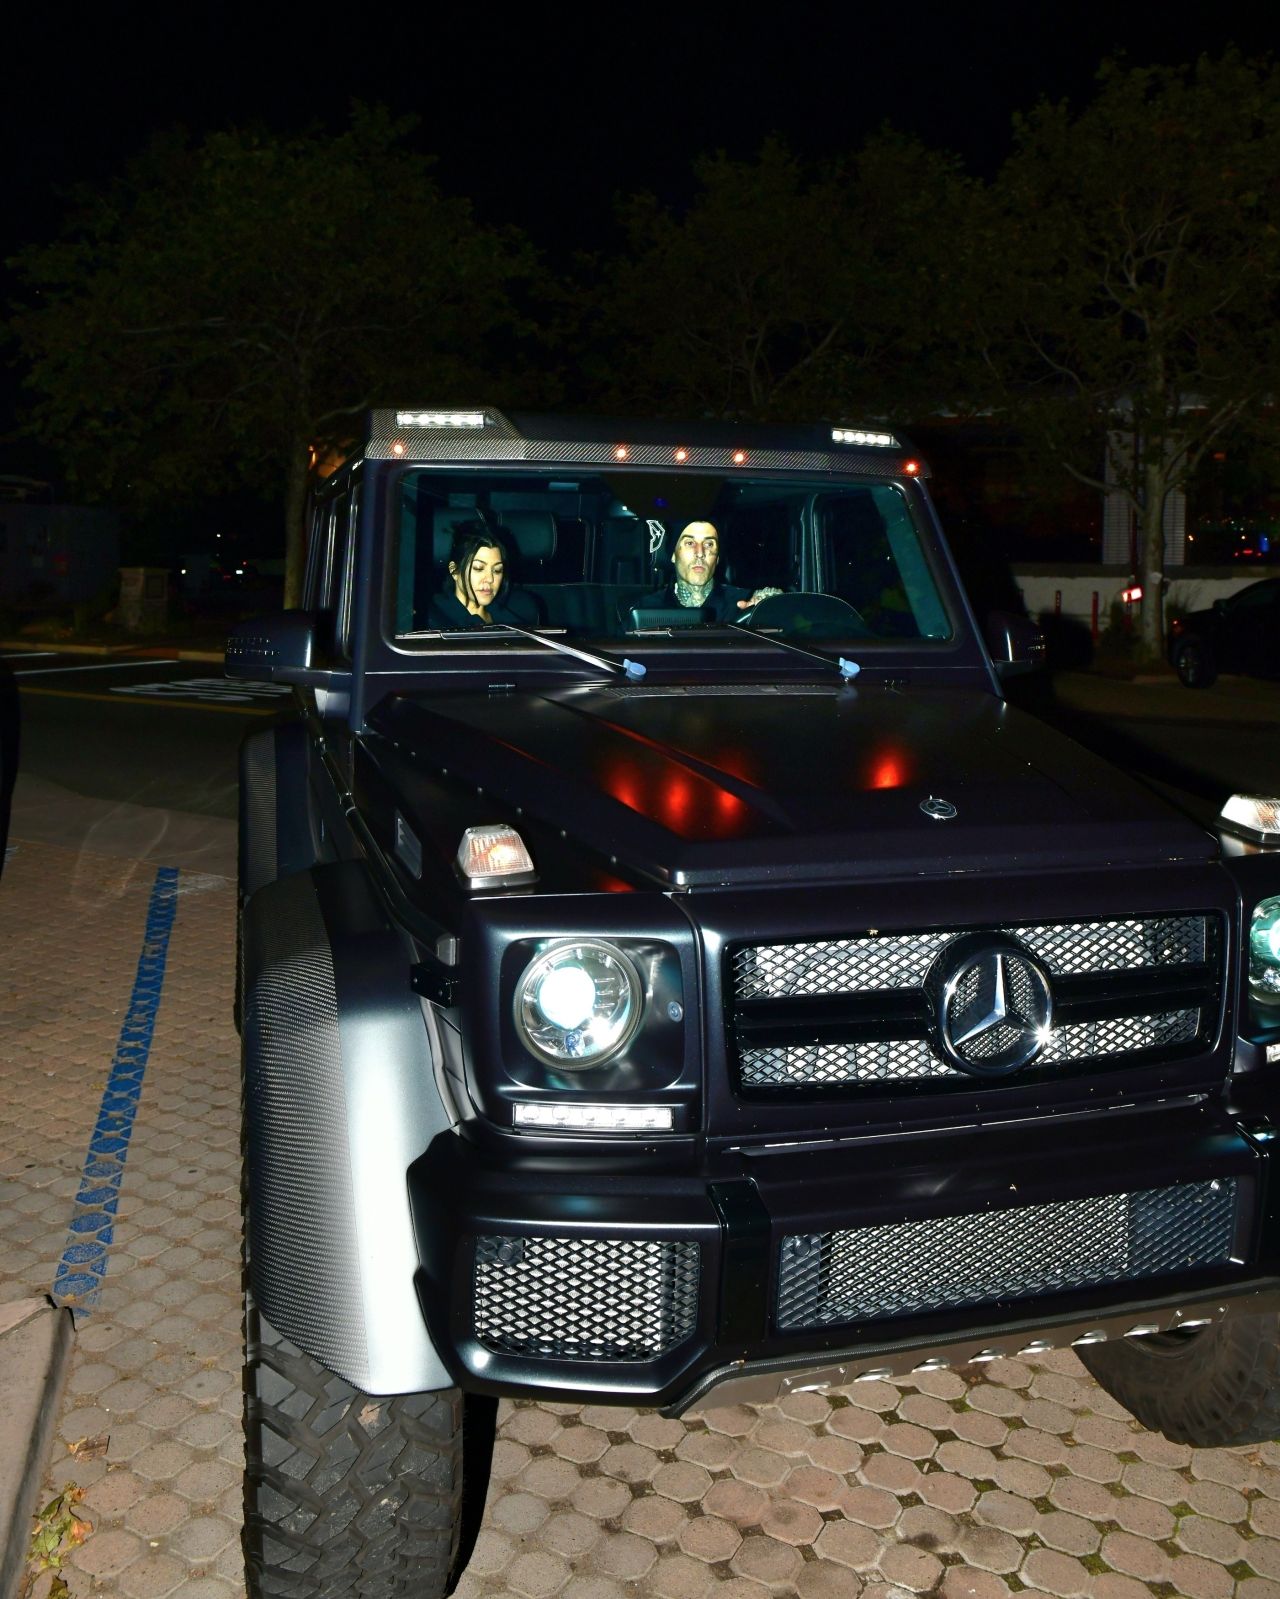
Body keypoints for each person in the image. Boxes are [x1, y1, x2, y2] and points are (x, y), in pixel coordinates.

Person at [633, 520, 782, 620]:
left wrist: (771, 606)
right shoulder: (646, 609)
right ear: (673, 555)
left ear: (717, 558)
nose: (700, 552)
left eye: (709, 544)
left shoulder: (742, 603)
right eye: (690, 543)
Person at [427, 522, 540, 629]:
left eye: (497, 570)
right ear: (454, 571)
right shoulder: (431, 622)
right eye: (479, 568)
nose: (490, 579)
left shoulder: (518, 615)